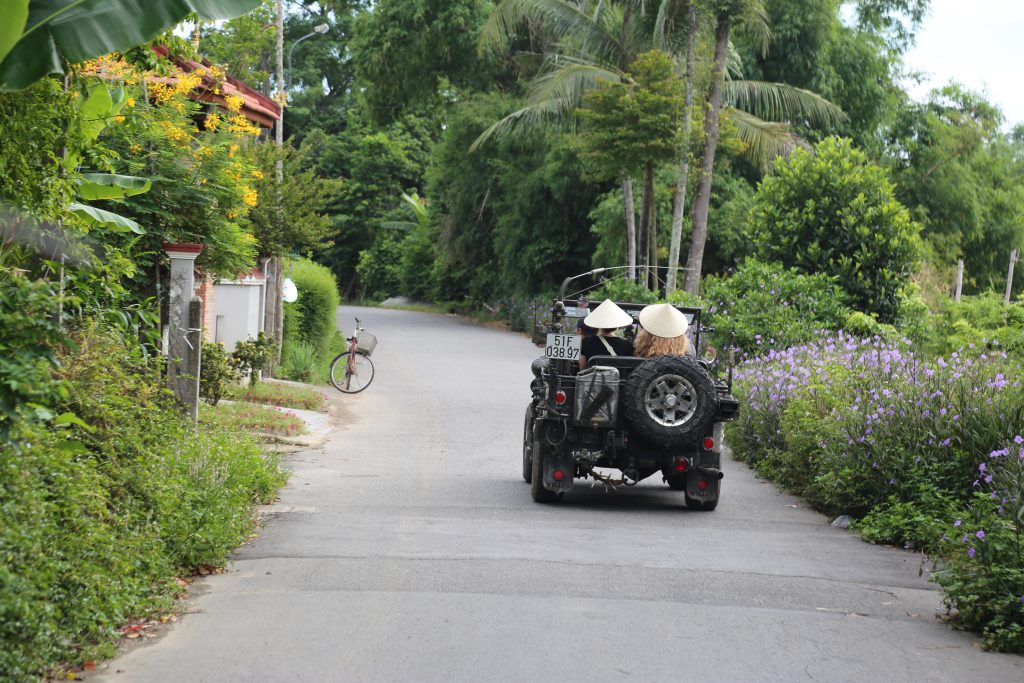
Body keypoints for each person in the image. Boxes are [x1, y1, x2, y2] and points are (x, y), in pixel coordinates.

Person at [579, 299, 634, 369]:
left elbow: (582, 369)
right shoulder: (627, 345)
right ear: (617, 324)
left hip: (593, 376)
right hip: (617, 376)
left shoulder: (586, 342)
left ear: (598, 323)